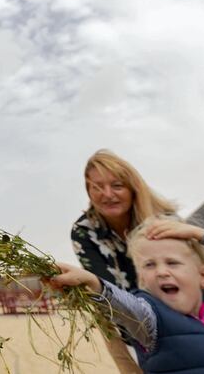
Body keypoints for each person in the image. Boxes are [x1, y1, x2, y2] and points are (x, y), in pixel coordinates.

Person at [53, 217, 204, 373]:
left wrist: (201, 234)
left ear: (203, 276)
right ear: (143, 281)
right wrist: (94, 283)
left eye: (172, 262)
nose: (162, 271)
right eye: (149, 265)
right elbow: (123, 305)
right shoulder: (150, 322)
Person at [71, 150, 177, 373]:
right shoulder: (84, 231)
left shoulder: (164, 221)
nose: (107, 194)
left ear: (132, 188)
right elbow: (105, 289)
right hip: (118, 319)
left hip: (175, 317)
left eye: (117, 185)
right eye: (97, 187)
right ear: (88, 191)